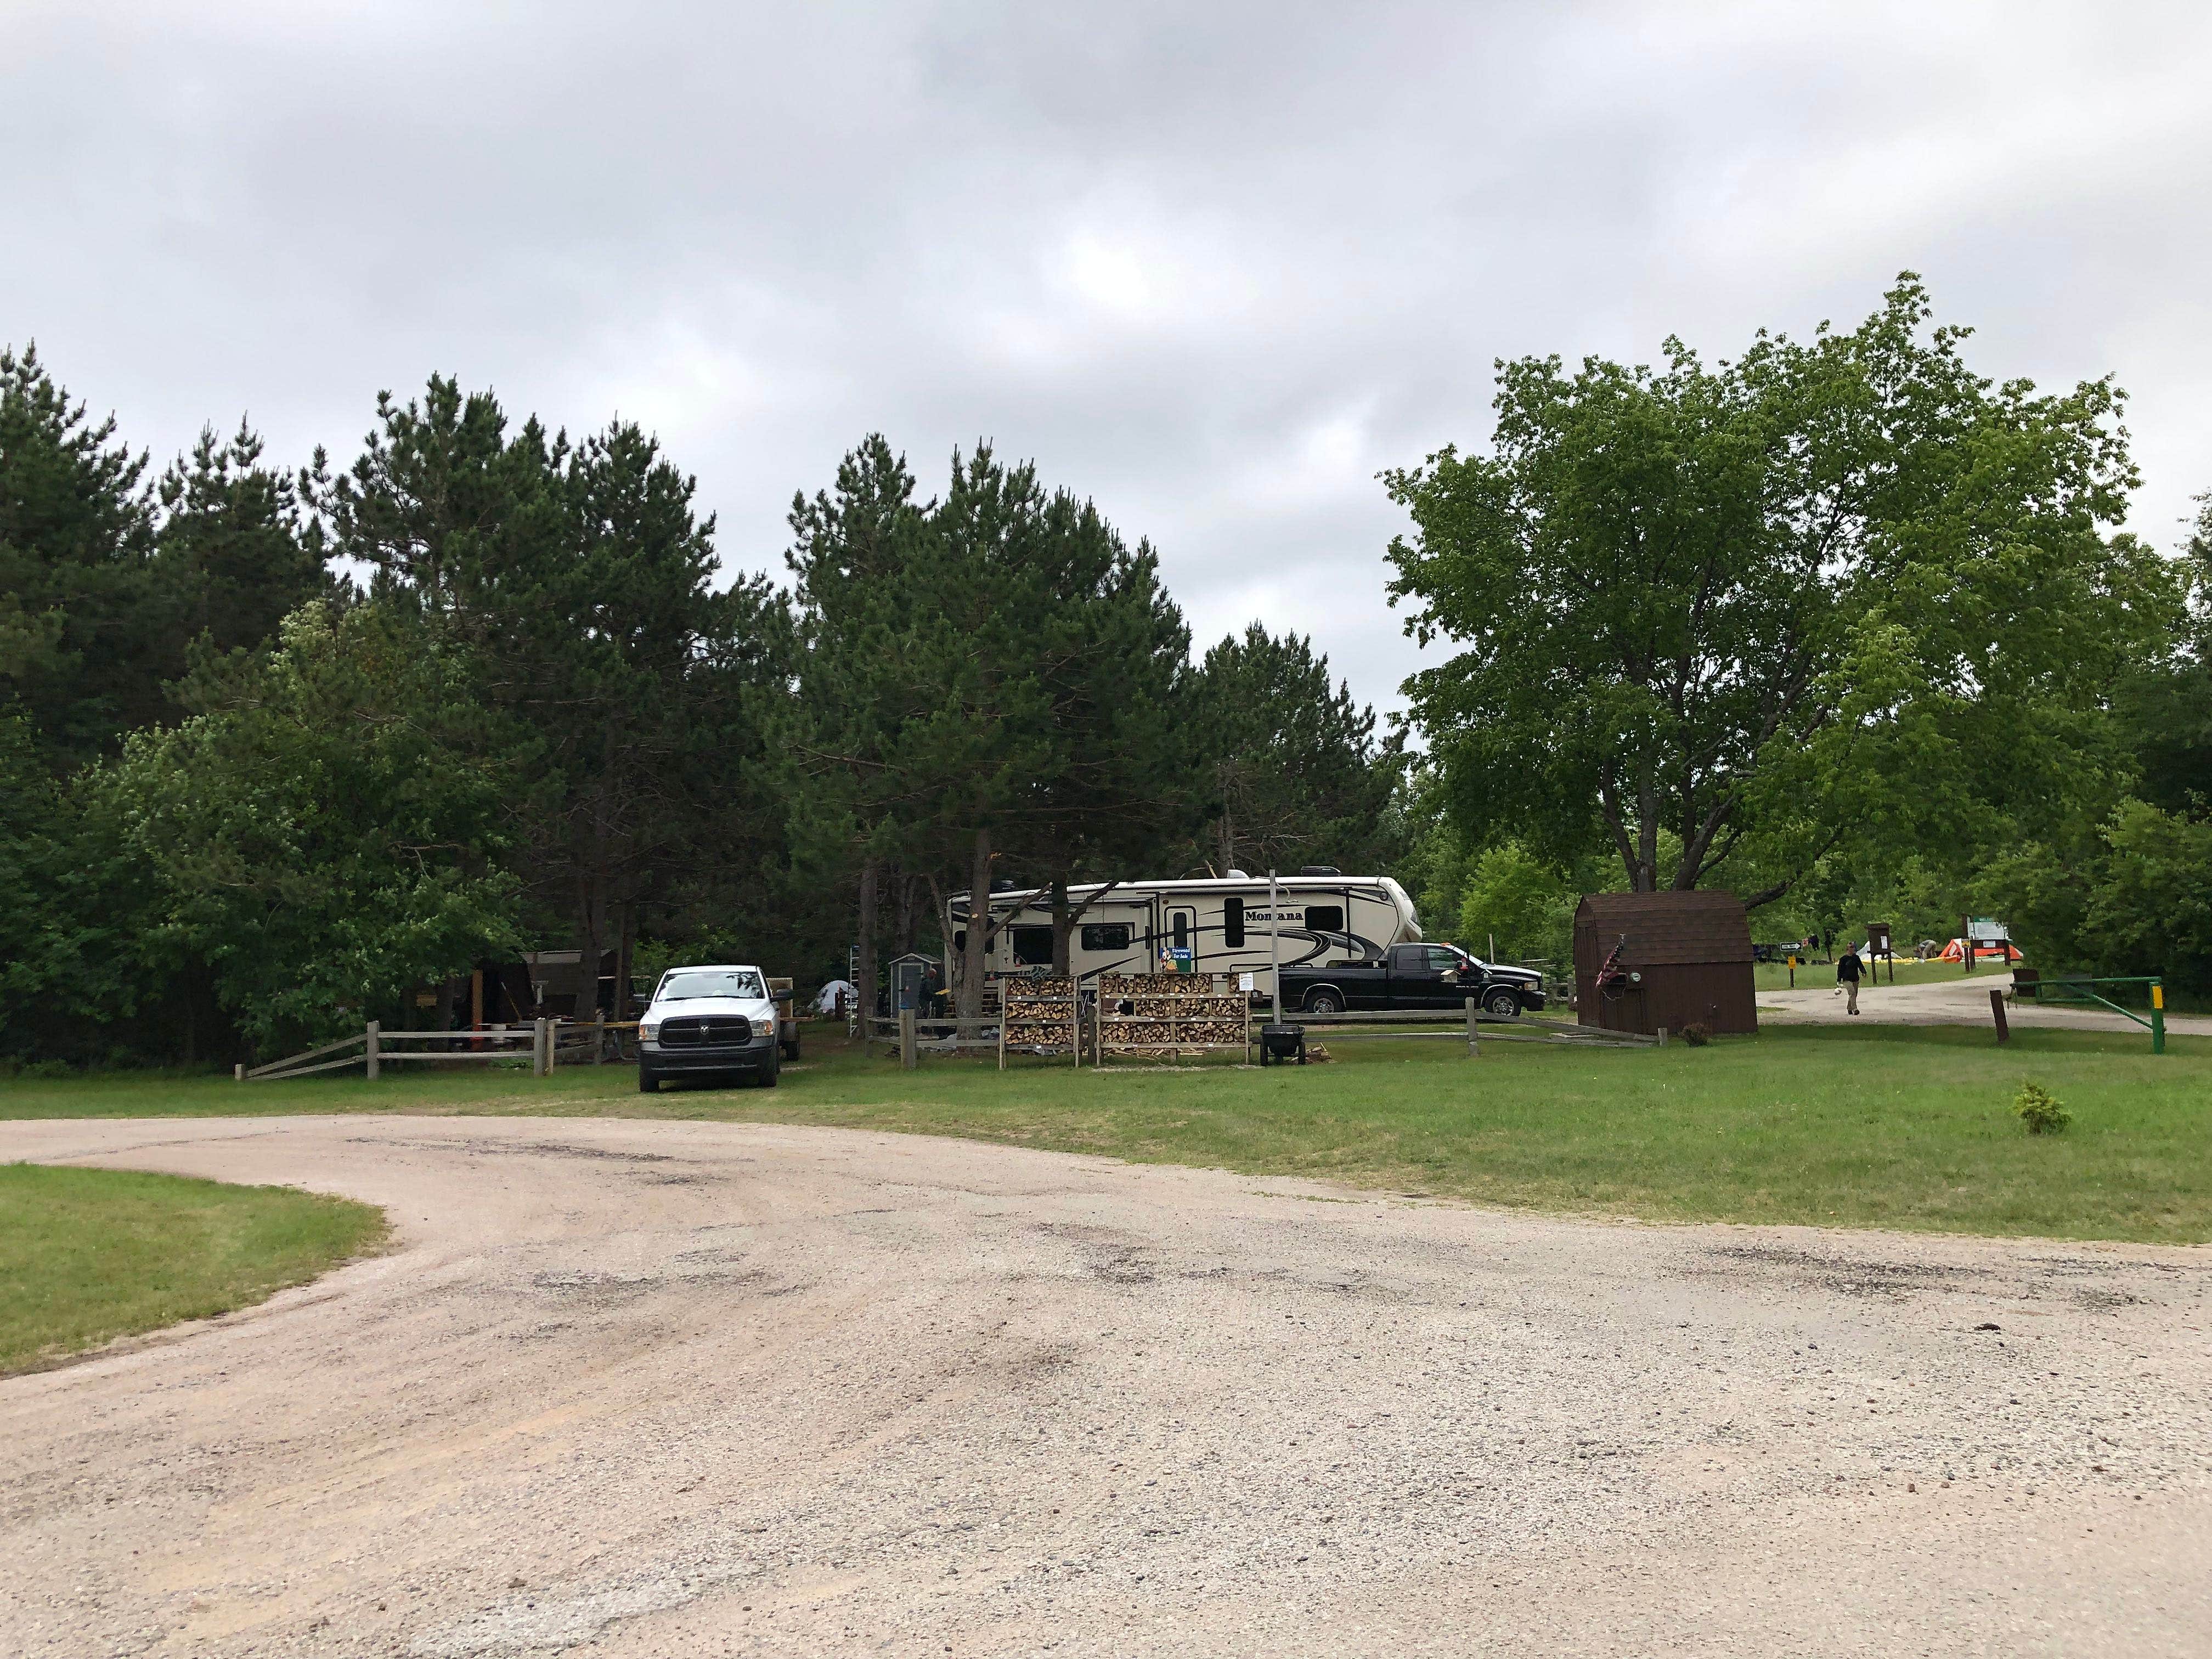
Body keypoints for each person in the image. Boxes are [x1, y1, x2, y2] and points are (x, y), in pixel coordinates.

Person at [1837, 944, 1864, 1016]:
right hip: (1847, 979)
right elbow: (1840, 970)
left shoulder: (1856, 958)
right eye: (1851, 947)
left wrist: (1864, 972)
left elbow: (1860, 965)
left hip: (1855, 978)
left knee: (1854, 994)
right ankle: (1855, 1009)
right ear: (1848, 949)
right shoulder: (1843, 959)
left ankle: (1849, 1008)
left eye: (1854, 947)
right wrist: (1839, 980)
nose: (1853, 949)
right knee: (1852, 993)